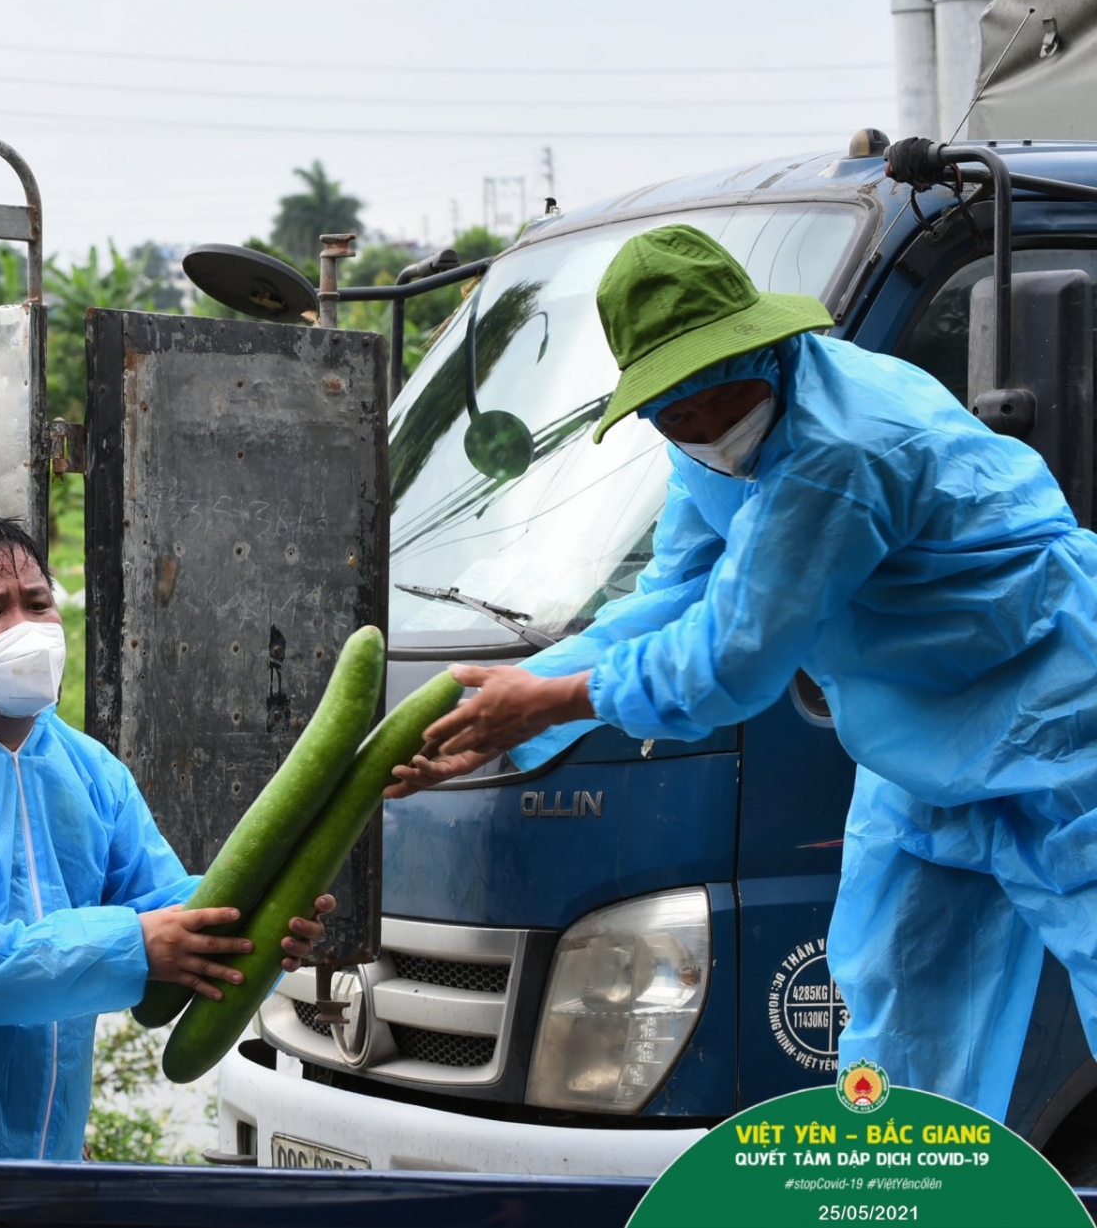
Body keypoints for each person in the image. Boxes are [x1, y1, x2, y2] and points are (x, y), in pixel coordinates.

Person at [388, 223, 1097, 1122]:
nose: (697, 430)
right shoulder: (705, 451)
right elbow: (673, 597)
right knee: (900, 1023)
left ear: (763, 350)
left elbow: (733, 658)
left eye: (711, 402)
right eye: (670, 415)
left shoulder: (841, 451)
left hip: (1054, 715)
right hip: (920, 744)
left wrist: (561, 698)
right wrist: (511, 713)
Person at [0, 512, 332, 1159]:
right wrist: (134, 947)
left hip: (37, 1159)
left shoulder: (91, 771)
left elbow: (172, 912)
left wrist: (258, 925)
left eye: (38, 602)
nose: (23, 628)